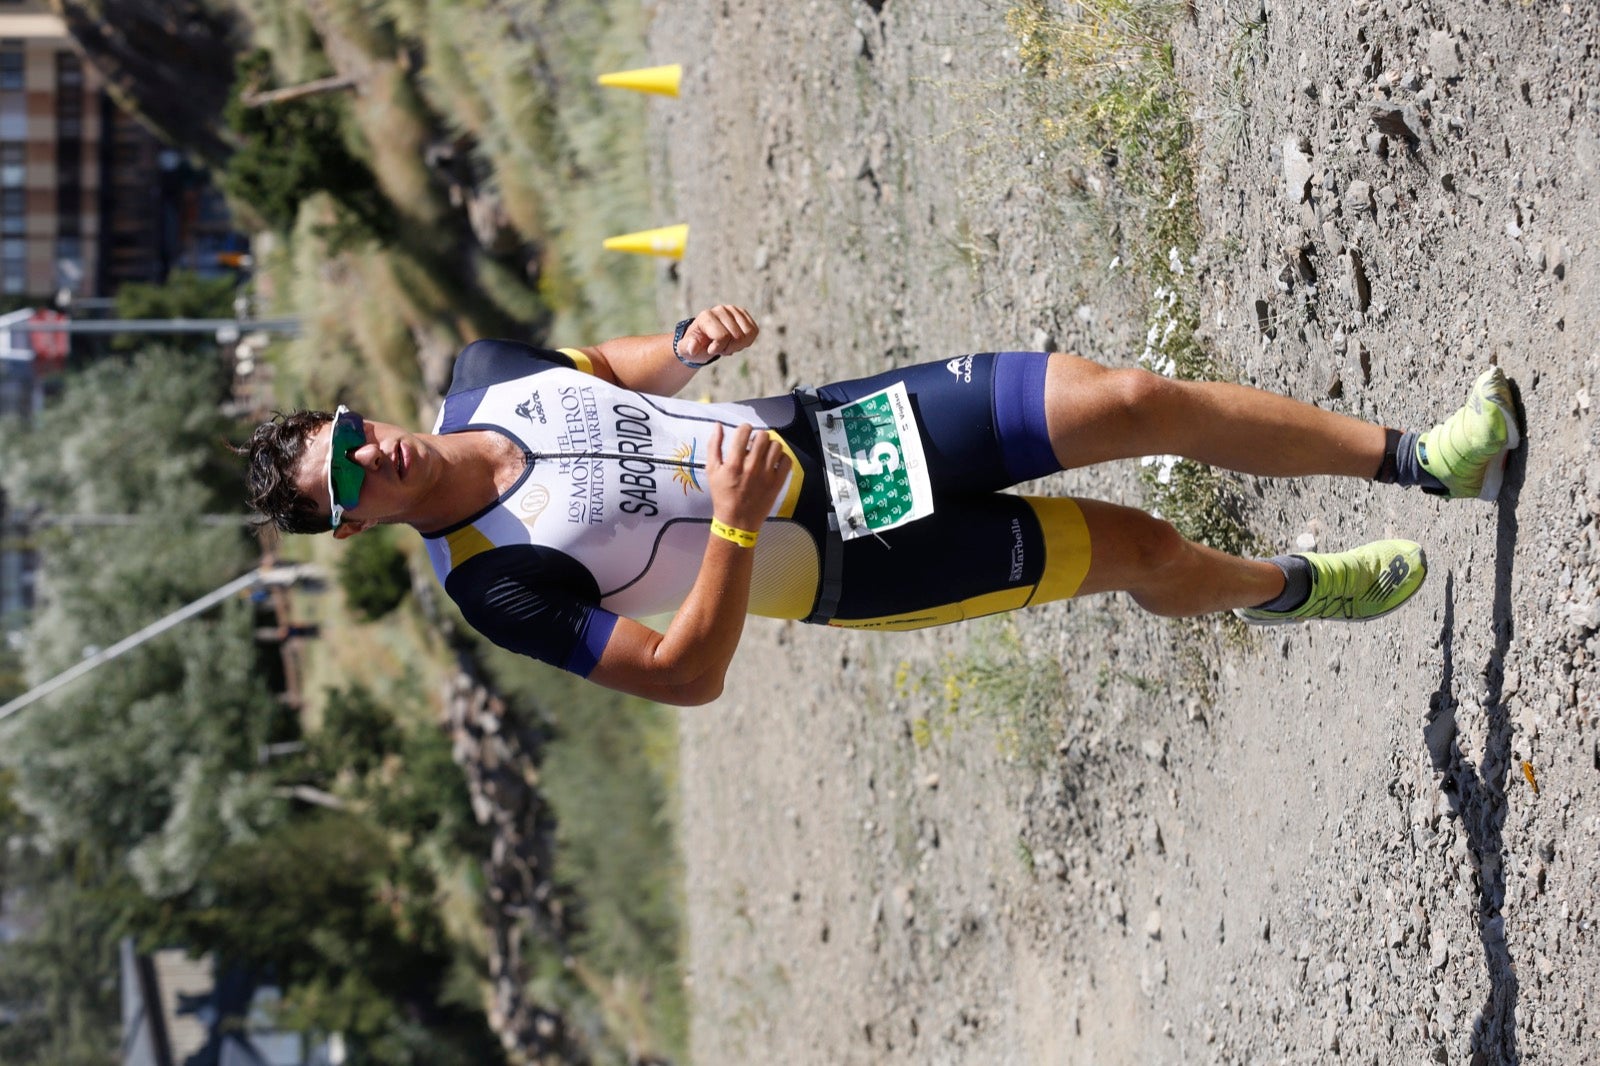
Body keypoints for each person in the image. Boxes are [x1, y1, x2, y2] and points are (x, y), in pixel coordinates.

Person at [241, 304, 1520, 705]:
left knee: (1126, 397)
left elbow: (600, 375)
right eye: (344, 482)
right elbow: (684, 676)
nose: (371, 458)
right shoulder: (493, 585)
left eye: (351, 435)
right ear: (351, 527)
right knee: (1139, 547)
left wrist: (683, 348)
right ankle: (1290, 590)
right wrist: (736, 529)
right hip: (854, 562)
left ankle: (1424, 458)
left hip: (846, 435)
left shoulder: (482, 374)